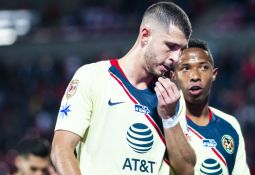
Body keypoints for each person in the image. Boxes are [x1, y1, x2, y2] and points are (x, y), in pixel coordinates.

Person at [51, 2, 195, 175]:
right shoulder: (93, 77)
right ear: (145, 35)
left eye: (181, 50)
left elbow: (186, 170)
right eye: (171, 46)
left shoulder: (171, 98)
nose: (175, 58)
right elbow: (61, 148)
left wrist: (170, 118)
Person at [172, 39, 250, 174]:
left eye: (203, 67)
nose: (195, 76)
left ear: (214, 74)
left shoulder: (230, 125)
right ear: (173, 75)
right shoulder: (165, 121)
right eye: (185, 68)